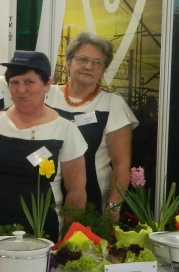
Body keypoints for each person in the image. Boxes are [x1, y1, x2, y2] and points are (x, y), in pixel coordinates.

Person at [0, 51, 88, 248]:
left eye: (29, 82)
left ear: (47, 84)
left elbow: (76, 191)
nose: (21, 89)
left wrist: (70, 236)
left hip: (42, 232)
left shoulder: (66, 130)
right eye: (14, 82)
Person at [47, 31, 138, 218]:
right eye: (82, 59)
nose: (89, 66)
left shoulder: (112, 104)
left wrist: (113, 208)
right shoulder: (46, 96)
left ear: (103, 71)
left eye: (97, 62)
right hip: (43, 201)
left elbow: (121, 166)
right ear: (68, 63)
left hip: (92, 202)